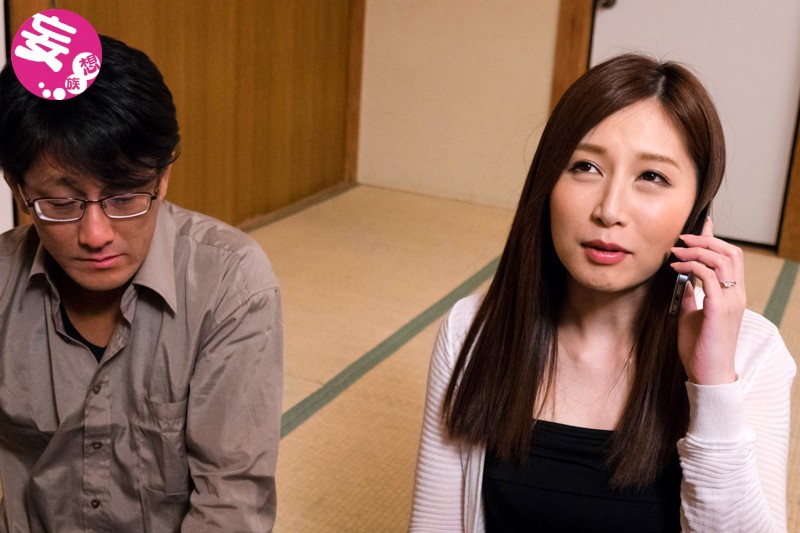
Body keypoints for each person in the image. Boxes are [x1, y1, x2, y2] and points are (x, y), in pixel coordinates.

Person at [409, 54, 795, 532]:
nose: (609, 210)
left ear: (697, 211)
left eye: (652, 177)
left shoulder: (752, 354)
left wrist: (713, 385)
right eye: (586, 166)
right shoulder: (474, 330)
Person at [0, 36, 282, 531]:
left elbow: (231, 498)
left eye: (125, 197)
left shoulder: (228, 283)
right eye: (61, 204)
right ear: (17, 187)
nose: (95, 235)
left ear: (163, 176)